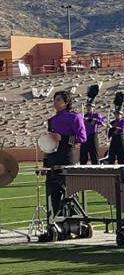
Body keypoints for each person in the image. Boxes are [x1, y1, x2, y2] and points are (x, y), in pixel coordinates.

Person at [44, 91, 87, 221]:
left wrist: (63, 138)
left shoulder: (75, 117)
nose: (55, 102)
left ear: (66, 102)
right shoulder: (51, 120)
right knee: (53, 193)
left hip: (68, 158)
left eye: (58, 100)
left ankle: (74, 221)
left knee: (70, 193)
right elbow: (50, 142)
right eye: (54, 99)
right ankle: (56, 222)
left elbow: (82, 138)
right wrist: (45, 160)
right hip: (53, 159)